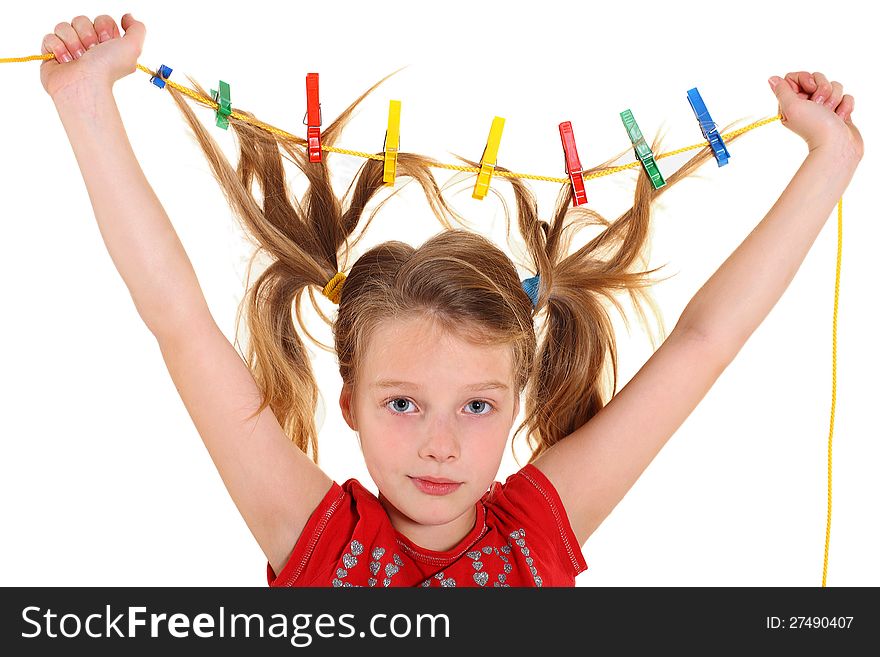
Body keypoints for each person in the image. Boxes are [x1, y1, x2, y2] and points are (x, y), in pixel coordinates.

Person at [40, 14, 863, 587]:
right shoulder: (314, 534)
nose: (440, 445)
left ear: (516, 403)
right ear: (350, 401)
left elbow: (704, 341)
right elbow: (176, 316)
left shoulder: (534, 529)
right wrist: (86, 107)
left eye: (476, 406)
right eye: (403, 402)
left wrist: (829, 160)